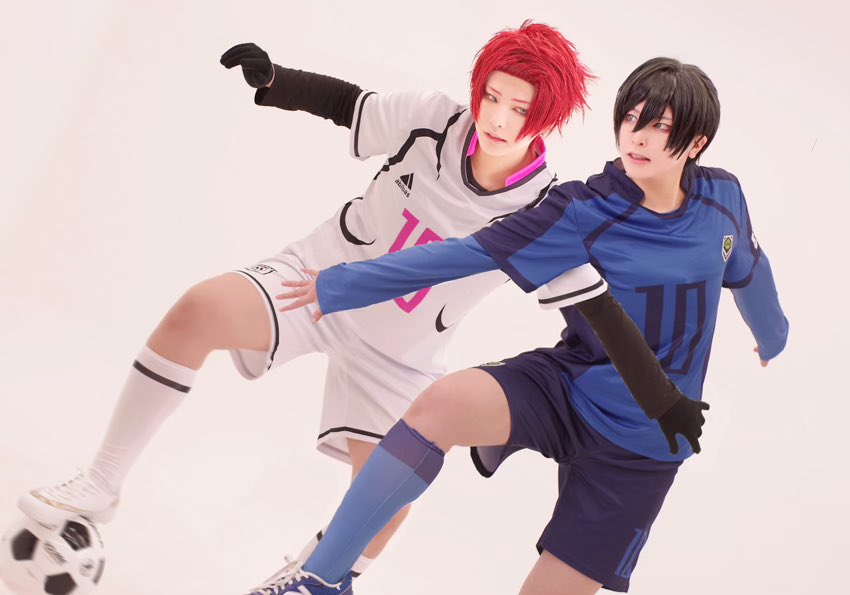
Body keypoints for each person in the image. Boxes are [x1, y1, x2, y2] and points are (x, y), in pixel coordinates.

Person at [16, 22, 702, 591]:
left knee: (389, 497)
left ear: (545, 117)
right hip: (315, 284)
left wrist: (659, 395)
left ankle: (308, 574)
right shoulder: (433, 119)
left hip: (400, 353)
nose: (498, 117)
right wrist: (277, 81)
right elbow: (351, 105)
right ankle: (100, 482)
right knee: (197, 309)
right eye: (493, 96)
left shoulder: (546, 210)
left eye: (520, 109)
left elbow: (594, 309)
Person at [262, 57, 789, 594]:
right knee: (444, 403)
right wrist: (341, 284)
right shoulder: (582, 208)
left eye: (661, 127)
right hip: (569, 388)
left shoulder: (723, 199)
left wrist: (773, 336)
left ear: (696, 143)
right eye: (632, 118)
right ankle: (321, 580)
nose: (639, 136)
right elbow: (462, 256)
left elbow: (749, 270)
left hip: (645, 449)